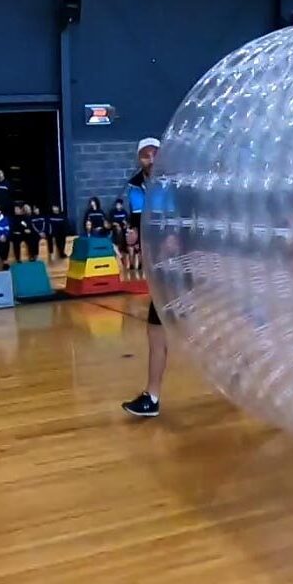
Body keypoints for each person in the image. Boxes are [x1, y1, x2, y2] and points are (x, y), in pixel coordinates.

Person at [123, 137, 166, 418]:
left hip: (181, 266)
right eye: (144, 155)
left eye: (154, 154)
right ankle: (151, 396)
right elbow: (139, 221)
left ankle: (241, 369)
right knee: (156, 329)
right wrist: (133, 234)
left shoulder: (175, 182)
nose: (149, 159)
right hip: (162, 266)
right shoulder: (135, 186)